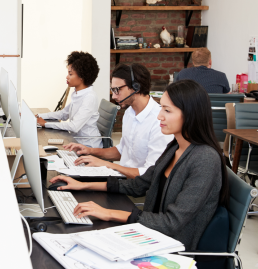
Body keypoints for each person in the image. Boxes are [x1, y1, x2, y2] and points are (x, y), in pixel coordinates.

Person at [49, 79, 230, 250]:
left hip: (173, 246)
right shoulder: (175, 147)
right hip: (152, 233)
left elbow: (171, 223)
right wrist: (83, 185)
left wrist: (109, 213)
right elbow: (139, 184)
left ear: (190, 114)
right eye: (161, 109)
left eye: (167, 110)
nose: (159, 116)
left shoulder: (205, 159)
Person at [65, 63, 173, 178]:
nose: (114, 96)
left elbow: (150, 174)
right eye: (112, 90)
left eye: (117, 90)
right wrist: (90, 151)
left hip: (140, 189)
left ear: (136, 87)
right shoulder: (129, 113)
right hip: (122, 179)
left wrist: (107, 165)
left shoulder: (160, 122)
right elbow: (122, 150)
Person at [36, 51, 103, 148]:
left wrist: (46, 124)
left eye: (70, 74)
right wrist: (39, 115)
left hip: (88, 146)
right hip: (75, 141)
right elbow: (63, 114)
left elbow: (73, 126)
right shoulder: (78, 93)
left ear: (82, 77)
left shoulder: (89, 97)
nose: (67, 77)